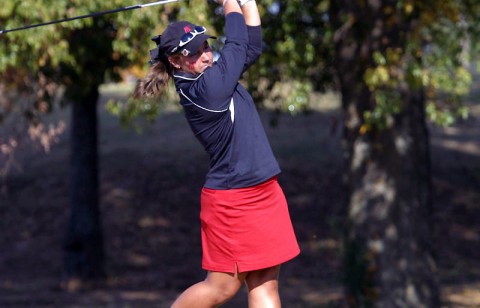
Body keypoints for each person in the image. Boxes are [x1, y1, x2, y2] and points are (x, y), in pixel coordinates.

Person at [134, 0, 300, 306]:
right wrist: (227, 3)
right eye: (193, 53)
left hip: (264, 189)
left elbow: (251, 47)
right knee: (221, 288)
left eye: (206, 47)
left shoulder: (213, 75)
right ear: (175, 61)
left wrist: (246, 3)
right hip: (232, 201)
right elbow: (236, 43)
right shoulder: (205, 89)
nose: (205, 56)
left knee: (266, 287)